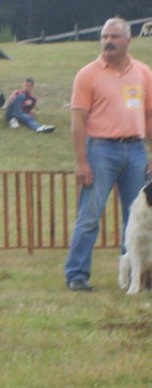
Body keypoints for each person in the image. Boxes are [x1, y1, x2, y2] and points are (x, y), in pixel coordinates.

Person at [64, 17, 152, 292]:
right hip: (100, 150)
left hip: (136, 150)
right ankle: (77, 274)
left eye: (114, 37)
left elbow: (149, 116)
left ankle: (133, 278)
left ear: (128, 40)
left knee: (136, 219)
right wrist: (81, 161)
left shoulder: (143, 72)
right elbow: (78, 121)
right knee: (89, 216)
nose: (108, 42)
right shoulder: (87, 74)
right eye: (104, 36)